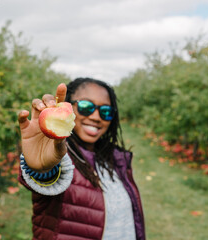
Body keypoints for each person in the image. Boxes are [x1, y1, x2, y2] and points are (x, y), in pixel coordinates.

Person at [17, 77, 145, 240]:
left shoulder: (116, 159)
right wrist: (40, 169)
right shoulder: (60, 158)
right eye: (86, 107)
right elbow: (49, 178)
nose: (96, 117)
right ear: (69, 107)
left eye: (106, 111)